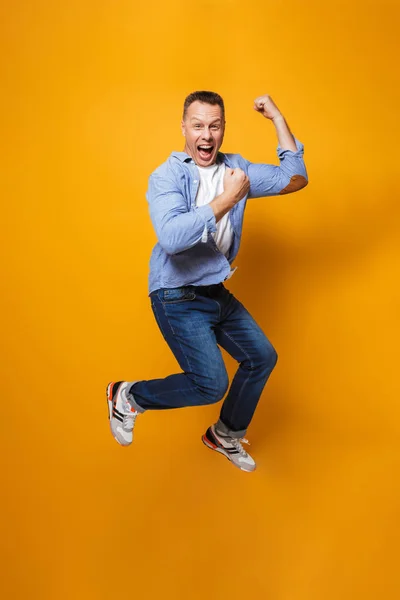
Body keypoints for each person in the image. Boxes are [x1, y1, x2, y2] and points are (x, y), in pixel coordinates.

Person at [106, 91, 308, 472]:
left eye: (214, 126)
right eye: (198, 125)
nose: (206, 135)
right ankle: (128, 396)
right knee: (210, 385)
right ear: (184, 128)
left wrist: (278, 119)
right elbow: (172, 238)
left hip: (214, 291)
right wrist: (228, 199)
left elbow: (294, 178)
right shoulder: (167, 175)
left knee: (261, 357)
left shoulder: (237, 168)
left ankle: (225, 434)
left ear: (223, 129)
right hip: (175, 295)